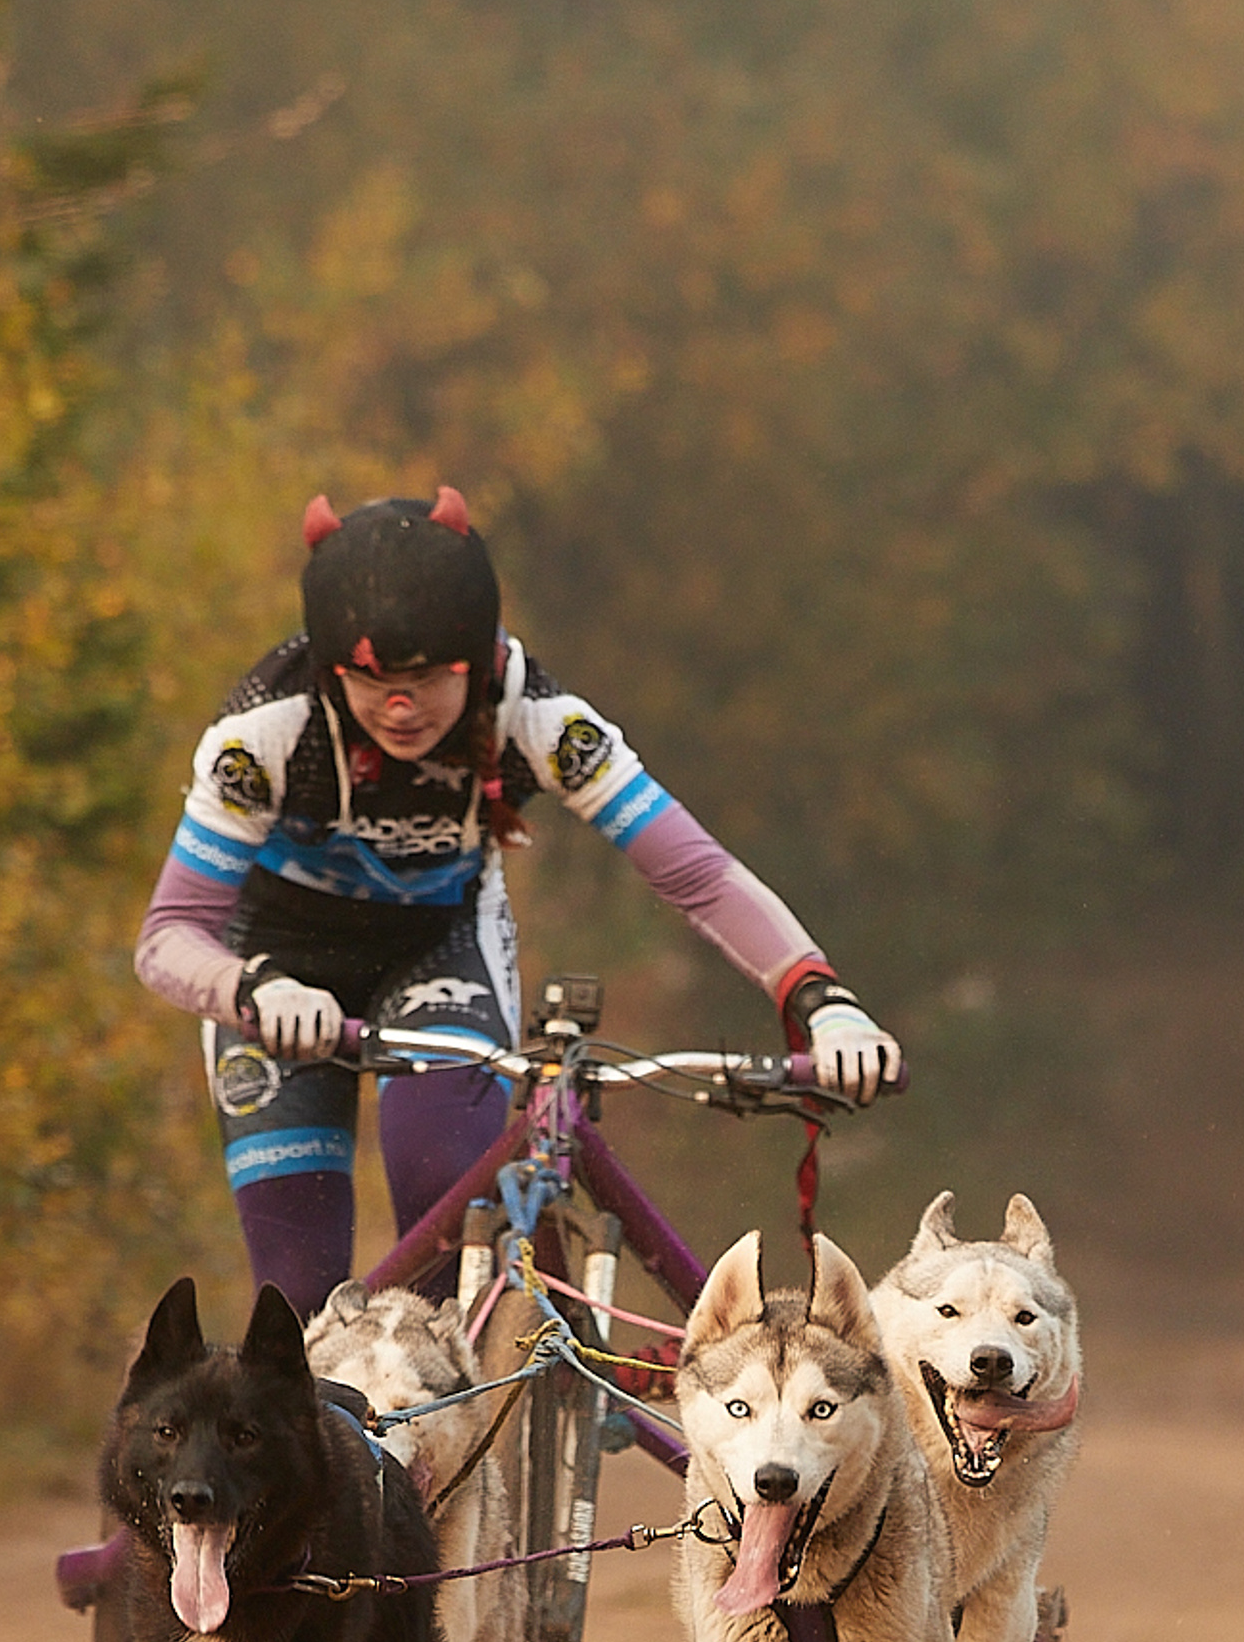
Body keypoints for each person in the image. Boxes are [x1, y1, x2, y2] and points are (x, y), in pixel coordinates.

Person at [132, 485, 903, 1314]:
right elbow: (170, 935)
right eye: (369, 682)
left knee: (440, 1214)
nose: (400, 708)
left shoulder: (534, 716)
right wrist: (254, 989)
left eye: (428, 679)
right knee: (298, 1302)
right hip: (273, 969)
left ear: (478, 656)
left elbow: (698, 875)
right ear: (331, 669)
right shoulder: (265, 733)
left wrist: (821, 999)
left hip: (435, 953)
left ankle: (448, 1425)